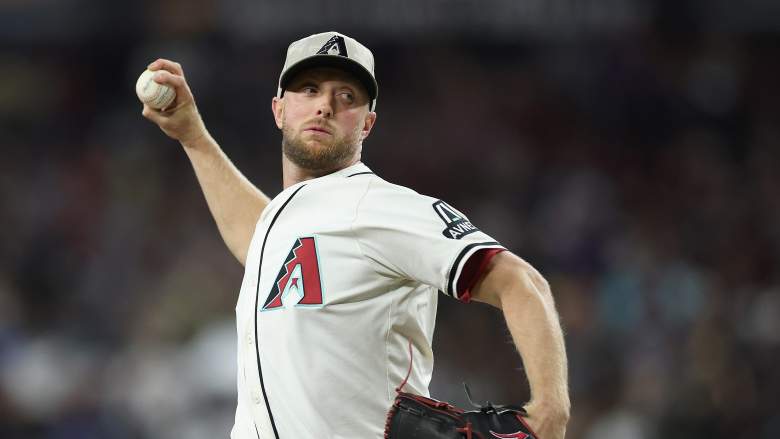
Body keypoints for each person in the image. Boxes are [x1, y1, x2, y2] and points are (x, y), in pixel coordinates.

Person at [141, 31, 570, 439]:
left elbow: (519, 280)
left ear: (367, 124)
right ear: (278, 110)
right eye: (309, 89)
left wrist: (550, 411)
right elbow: (258, 241)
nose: (324, 105)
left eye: (345, 96)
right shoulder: (289, 223)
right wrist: (193, 137)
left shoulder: (380, 206)